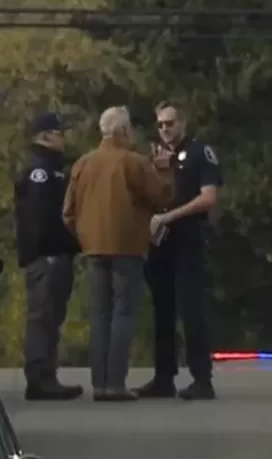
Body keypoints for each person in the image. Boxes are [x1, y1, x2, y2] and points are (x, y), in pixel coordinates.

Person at [62, 106, 172, 402]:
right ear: (123, 131)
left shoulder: (83, 164)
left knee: (99, 314)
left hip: (93, 248)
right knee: (123, 312)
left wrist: (85, 235)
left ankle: (99, 382)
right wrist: (163, 169)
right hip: (128, 246)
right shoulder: (132, 162)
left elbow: (68, 212)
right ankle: (115, 383)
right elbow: (161, 195)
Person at [137, 100, 223, 400]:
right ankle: (164, 375)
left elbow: (208, 198)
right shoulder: (155, 158)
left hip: (188, 238)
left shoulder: (200, 154)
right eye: (160, 125)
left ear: (183, 123)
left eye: (170, 123)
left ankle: (202, 377)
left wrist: (169, 217)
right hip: (160, 242)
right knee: (162, 309)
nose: (165, 130)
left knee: (191, 309)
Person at [14, 112, 83, 400]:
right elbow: (41, 217)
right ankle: (39, 377)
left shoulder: (51, 167)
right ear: (44, 135)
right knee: (42, 316)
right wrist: (54, 247)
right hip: (47, 256)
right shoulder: (39, 170)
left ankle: (48, 374)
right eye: (58, 132)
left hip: (55, 254)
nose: (63, 137)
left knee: (51, 317)